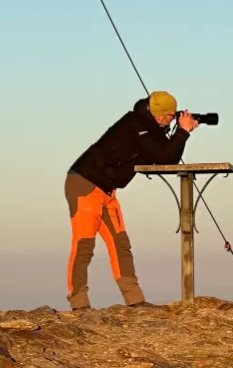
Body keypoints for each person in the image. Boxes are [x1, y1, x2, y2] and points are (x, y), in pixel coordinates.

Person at [65, 91, 199, 309]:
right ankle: (79, 303)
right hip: (85, 184)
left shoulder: (151, 128)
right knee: (84, 244)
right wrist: (182, 131)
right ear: (159, 114)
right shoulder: (136, 126)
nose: (172, 120)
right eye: (170, 116)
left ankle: (135, 300)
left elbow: (168, 158)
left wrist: (181, 133)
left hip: (107, 190)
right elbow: (164, 157)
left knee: (120, 244)